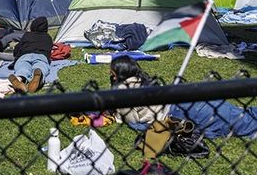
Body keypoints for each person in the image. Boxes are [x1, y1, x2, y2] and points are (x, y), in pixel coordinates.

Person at [110, 56, 257, 138]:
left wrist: (115, 114)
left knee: (243, 123)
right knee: (240, 115)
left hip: (184, 113)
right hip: (188, 99)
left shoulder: (122, 92)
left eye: (112, 73)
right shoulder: (142, 80)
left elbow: (131, 119)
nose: (110, 75)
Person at [8, 17, 53, 94]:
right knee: (41, 66)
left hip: (25, 56)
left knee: (22, 68)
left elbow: (17, 49)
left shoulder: (27, 35)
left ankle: (20, 78)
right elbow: (48, 52)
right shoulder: (48, 38)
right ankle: (39, 74)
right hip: (41, 56)